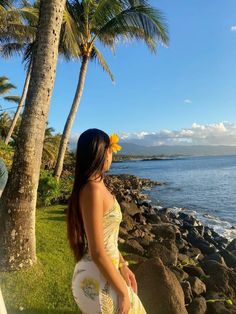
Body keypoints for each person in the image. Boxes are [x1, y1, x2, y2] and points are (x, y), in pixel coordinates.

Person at [67, 128, 147, 314]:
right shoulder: (92, 190)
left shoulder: (99, 185)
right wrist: (123, 292)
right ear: (102, 153)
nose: (112, 156)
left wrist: (123, 265)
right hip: (97, 277)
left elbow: (108, 237)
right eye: (110, 151)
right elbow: (97, 251)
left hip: (108, 271)